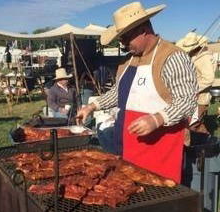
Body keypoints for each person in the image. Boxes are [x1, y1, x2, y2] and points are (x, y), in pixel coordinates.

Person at [76, 2, 198, 183]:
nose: (123, 44)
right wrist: (92, 106)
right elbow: (118, 93)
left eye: (125, 38)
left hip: (159, 153)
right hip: (127, 149)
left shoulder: (172, 56)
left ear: (143, 30)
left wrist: (157, 118)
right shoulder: (128, 61)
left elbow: (186, 101)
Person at [176, 32, 216, 134]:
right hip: (195, 97)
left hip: (201, 98)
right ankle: (208, 144)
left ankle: (206, 145)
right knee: (197, 124)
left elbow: (209, 78)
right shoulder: (196, 55)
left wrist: (192, 89)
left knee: (192, 124)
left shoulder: (203, 57)